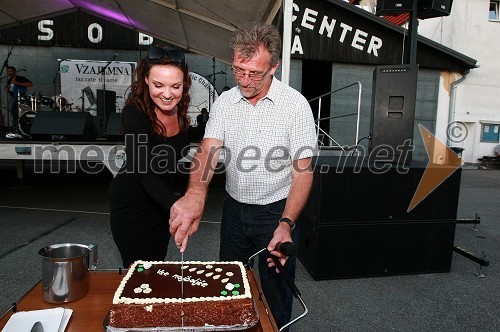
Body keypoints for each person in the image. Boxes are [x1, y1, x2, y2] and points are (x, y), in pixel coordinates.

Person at [169, 22, 317, 330]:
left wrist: (286, 224)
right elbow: (208, 152)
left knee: (276, 293)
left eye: (255, 73)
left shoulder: (295, 106)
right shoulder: (225, 102)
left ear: (274, 67)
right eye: (238, 70)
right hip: (235, 211)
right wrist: (195, 195)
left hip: (277, 212)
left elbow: (302, 173)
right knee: (228, 286)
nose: (245, 81)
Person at [109, 46, 191, 268]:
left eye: (175, 86)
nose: (167, 93)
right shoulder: (134, 113)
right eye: (158, 85)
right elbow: (143, 170)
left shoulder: (180, 111)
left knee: (156, 270)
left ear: (185, 83)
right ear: (145, 80)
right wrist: (177, 207)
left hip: (161, 205)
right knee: (138, 275)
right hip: (132, 206)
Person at [5, 66, 32, 138]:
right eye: (8, 71)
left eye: (11, 71)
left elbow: (30, 84)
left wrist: (17, 83)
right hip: (13, 96)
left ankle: (23, 125)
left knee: (23, 111)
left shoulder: (20, 78)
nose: (9, 73)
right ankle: (15, 125)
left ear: (14, 71)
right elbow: (6, 91)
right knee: (12, 109)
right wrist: (8, 86)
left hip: (22, 96)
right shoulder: (9, 80)